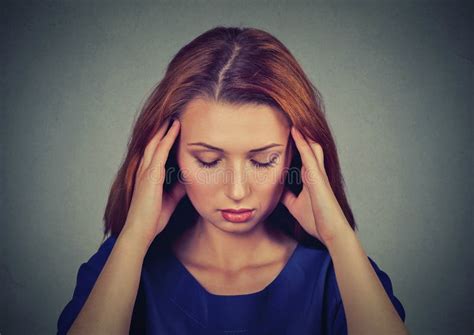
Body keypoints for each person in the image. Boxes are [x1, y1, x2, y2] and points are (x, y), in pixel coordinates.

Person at [56, 26, 407, 334]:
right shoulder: (120, 265)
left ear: (294, 158)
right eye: (208, 161)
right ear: (168, 157)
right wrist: (133, 238)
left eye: (263, 160)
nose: (237, 191)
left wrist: (338, 236)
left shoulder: (339, 272)